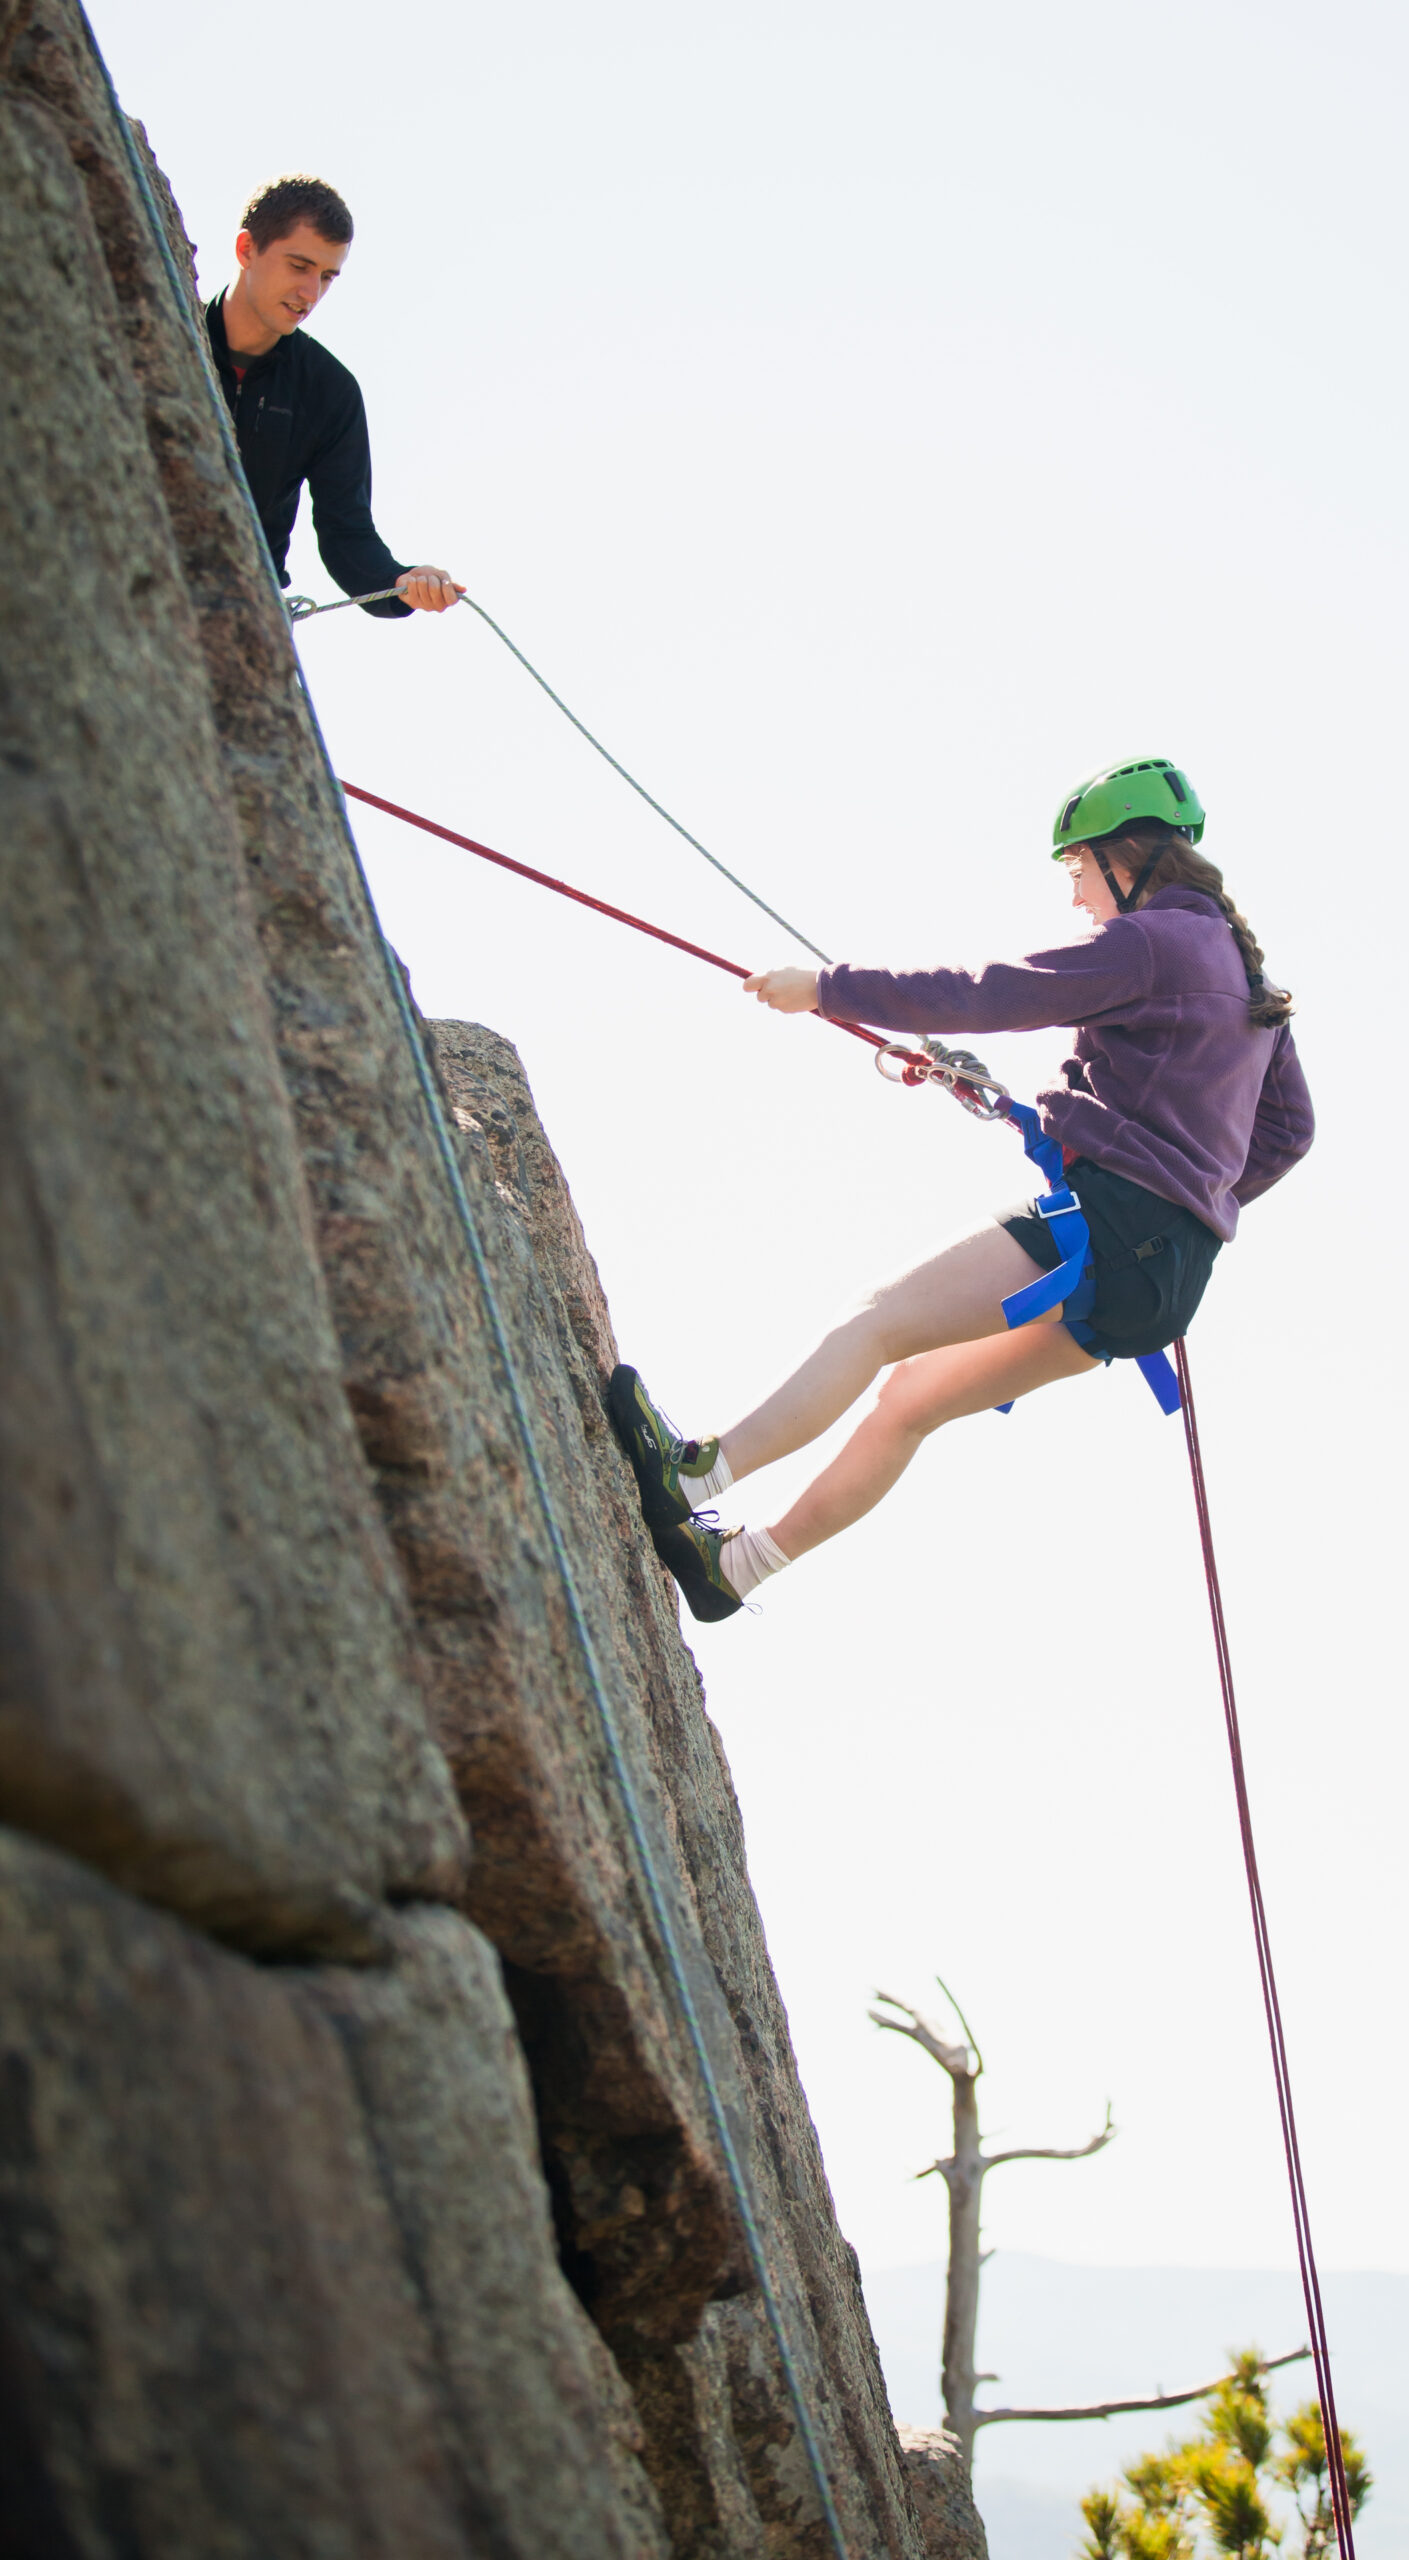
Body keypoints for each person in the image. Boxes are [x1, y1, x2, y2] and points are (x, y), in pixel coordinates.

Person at [610, 757, 1315, 1624]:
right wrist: (1192, 1188)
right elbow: (1287, 1132)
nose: (1075, 895)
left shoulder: (1151, 942)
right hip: (1166, 1280)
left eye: (1077, 870)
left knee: (873, 1323)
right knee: (909, 1402)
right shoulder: (1245, 975)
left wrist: (823, 990)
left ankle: (696, 1473)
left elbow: (992, 993)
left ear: (1120, 860)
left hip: (1110, 1227)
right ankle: (737, 1569)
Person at [204, 175, 462, 619]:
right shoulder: (166, 331)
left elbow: (347, 534)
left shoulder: (330, 391)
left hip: (242, 619)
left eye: (327, 276)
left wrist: (400, 581)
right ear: (246, 250)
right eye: (299, 266)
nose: (311, 294)